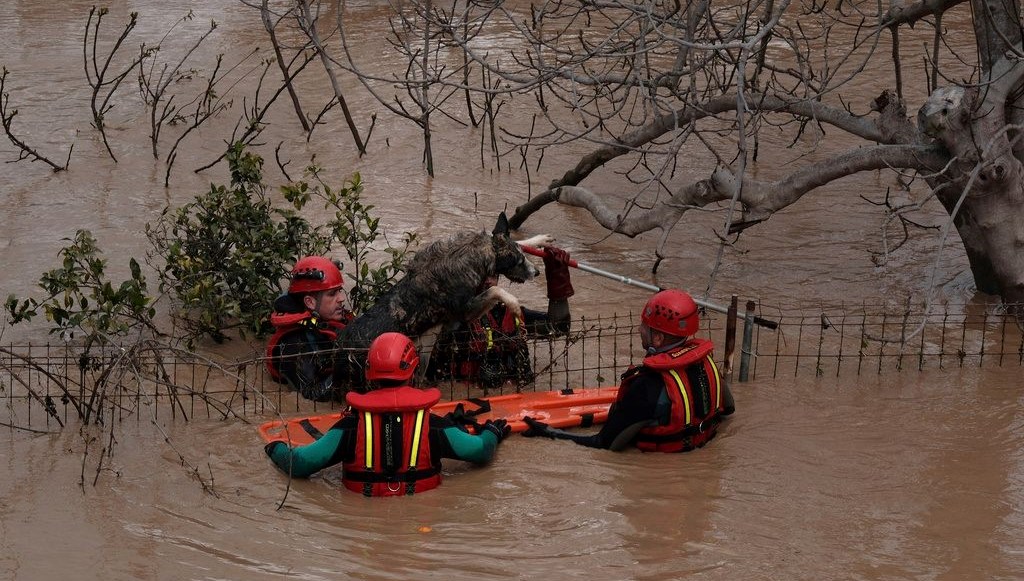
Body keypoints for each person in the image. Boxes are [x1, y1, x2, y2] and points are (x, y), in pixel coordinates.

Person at [265, 332, 511, 497]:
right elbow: (480, 451)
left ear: (369, 373)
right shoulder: (434, 427)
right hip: (420, 520)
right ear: (414, 372)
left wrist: (274, 448)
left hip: (363, 524)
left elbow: (298, 465)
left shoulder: (348, 428)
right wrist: (492, 432)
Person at [521, 289, 736, 452]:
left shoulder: (647, 386)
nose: (640, 329)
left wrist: (549, 432)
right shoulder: (706, 362)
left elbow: (604, 444)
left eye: (644, 325)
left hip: (657, 478)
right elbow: (729, 409)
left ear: (658, 338)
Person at [424, 245, 575, 389]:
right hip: (463, 397)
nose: (488, 280)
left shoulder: (512, 312)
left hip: (512, 397)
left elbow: (557, 328)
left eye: (493, 275)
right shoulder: (448, 316)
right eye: (482, 275)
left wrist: (558, 281)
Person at [265, 256, 355, 402]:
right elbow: (311, 395)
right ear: (310, 302)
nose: (341, 298)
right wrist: (346, 367)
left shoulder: (328, 318)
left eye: (339, 290)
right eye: (332, 294)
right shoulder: (293, 344)